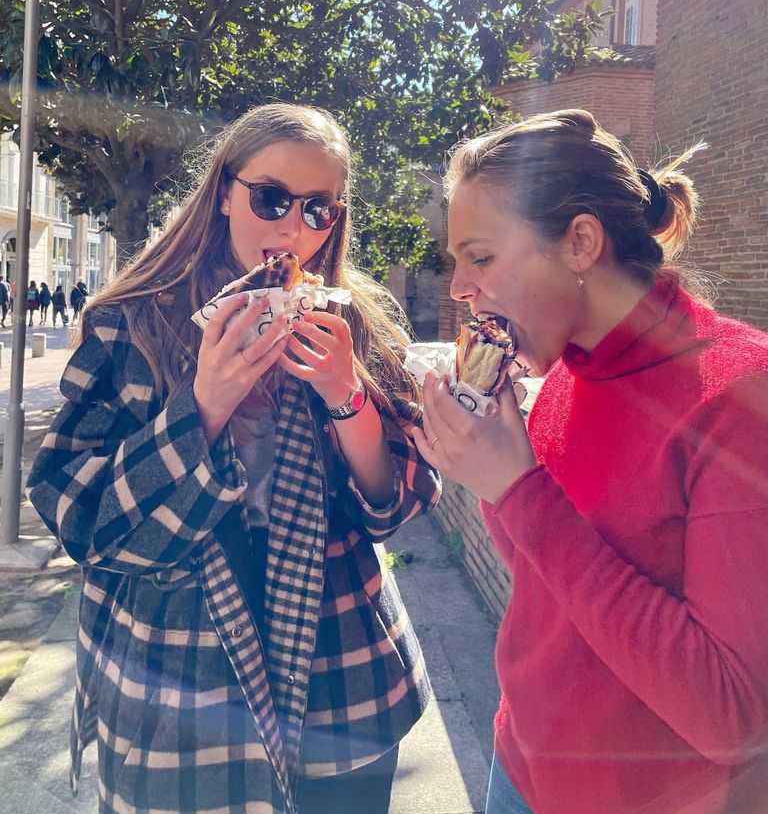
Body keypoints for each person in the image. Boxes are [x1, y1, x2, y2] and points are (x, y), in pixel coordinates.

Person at [28, 102, 440, 814]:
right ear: (224, 191)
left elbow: (396, 501)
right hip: (172, 677)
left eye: (318, 210)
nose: (291, 228)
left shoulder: (357, 323)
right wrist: (206, 404)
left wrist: (346, 394)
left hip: (341, 676)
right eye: (272, 197)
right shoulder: (132, 319)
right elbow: (79, 515)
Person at [414, 109, 768, 814]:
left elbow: (734, 718)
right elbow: (549, 584)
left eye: (480, 257)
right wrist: (493, 460)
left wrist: (518, 489)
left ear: (579, 242)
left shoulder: (739, 398)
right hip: (518, 768)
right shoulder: (568, 372)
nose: (458, 287)